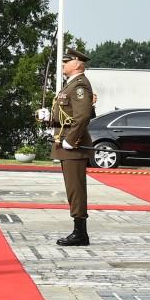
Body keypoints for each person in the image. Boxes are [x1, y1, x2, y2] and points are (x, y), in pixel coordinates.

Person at [51, 48, 94, 247]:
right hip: (66, 142)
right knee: (72, 188)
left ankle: (80, 233)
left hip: (73, 146)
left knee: (75, 188)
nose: (63, 65)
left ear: (77, 64)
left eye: (66, 62)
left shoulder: (80, 85)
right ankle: (79, 230)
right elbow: (66, 112)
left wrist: (71, 139)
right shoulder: (71, 84)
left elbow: (82, 116)